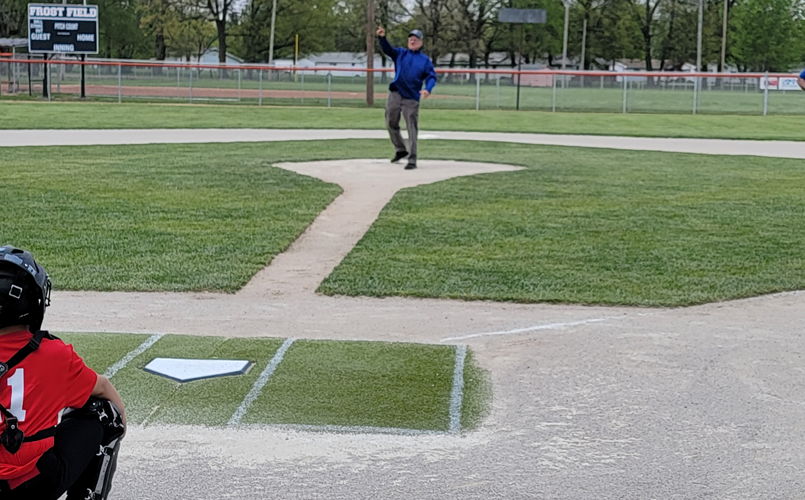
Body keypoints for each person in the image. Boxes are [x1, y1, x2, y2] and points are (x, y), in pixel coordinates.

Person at [0, 245, 126, 500]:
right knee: (104, 412)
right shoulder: (54, 354)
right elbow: (103, 389)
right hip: (34, 484)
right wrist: (121, 424)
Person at [377, 26, 437, 170]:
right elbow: (388, 50)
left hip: (411, 97)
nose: (412, 41)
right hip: (396, 93)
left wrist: (428, 89)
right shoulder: (401, 53)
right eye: (411, 39)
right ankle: (400, 149)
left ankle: (412, 158)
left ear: (421, 42)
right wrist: (382, 38)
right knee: (391, 121)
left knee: (411, 127)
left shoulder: (424, 60)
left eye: (416, 39)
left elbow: (431, 77)